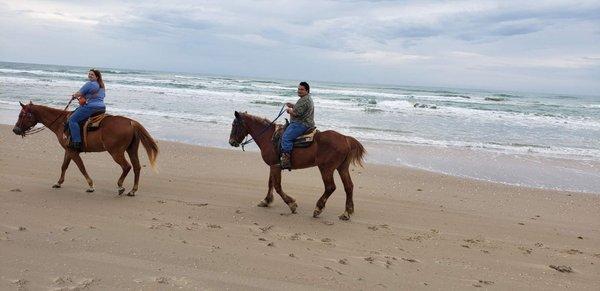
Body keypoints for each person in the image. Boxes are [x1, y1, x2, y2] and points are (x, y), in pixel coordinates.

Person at [67, 69, 106, 151]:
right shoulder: (102, 86)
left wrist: (74, 95)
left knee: (72, 120)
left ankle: (76, 142)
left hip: (91, 107)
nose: (90, 76)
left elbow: (79, 93)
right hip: (102, 107)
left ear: (97, 77)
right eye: (89, 74)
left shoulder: (90, 84)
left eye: (92, 74)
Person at [280, 81, 314, 169]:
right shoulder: (305, 98)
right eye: (298, 89)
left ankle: (286, 159)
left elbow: (297, 113)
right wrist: (293, 105)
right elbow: (301, 108)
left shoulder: (305, 100)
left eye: (302, 89)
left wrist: (289, 111)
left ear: (307, 91)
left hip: (301, 123)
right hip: (306, 122)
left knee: (286, 137)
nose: (299, 91)